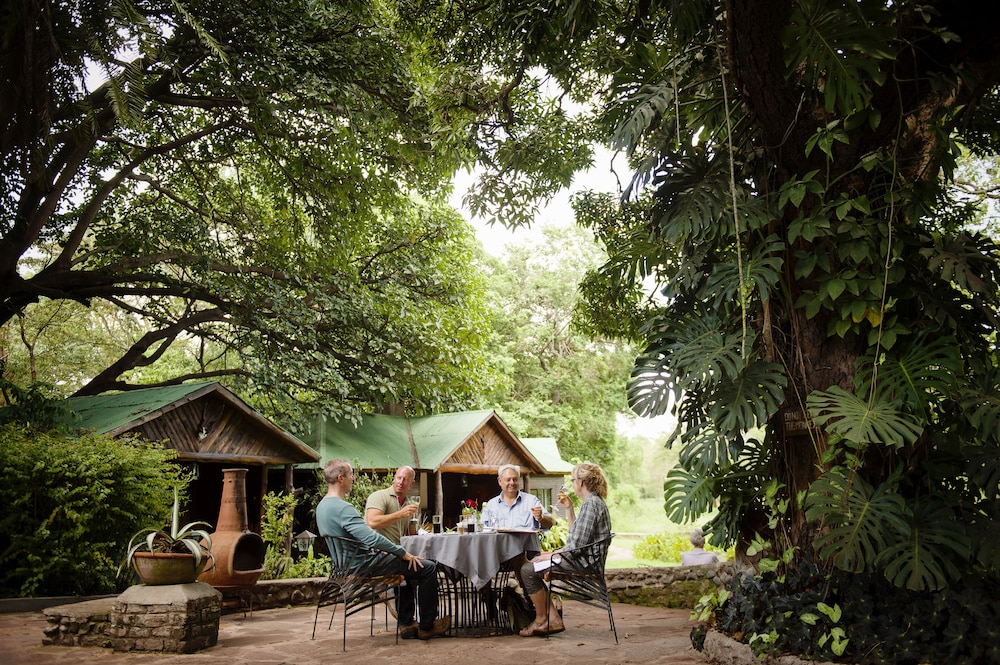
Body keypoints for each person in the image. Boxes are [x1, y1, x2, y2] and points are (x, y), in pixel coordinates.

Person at [316, 459, 450, 640]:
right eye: (351, 475)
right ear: (341, 478)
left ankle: (407, 623)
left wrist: (392, 552)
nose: (353, 478)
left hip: (345, 566)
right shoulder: (343, 508)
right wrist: (401, 552)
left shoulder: (322, 506)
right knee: (427, 567)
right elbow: (371, 537)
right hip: (365, 565)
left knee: (408, 566)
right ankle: (427, 626)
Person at [518, 462, 612, 637]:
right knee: (534, 564)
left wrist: (551, 556)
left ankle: (542, 619)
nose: (572, 484)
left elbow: (575, 548)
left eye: (573, 480)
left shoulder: (591, 504)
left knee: (527, 570)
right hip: (584, 560)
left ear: (581, 482)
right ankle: (552, 619)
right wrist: (569, 509)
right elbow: (575, 536)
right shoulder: (593, 502)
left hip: (583, 564)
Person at [480, 464, 555, 531]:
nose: (512, 483)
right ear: (500, 481)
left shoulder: (531, 501)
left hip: (525, 543)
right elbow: (482, 529)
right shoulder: (491, 504)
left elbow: (551, 523)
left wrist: (541, 517)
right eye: (508, 480)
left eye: (515, 479)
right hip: (500, 543)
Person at [365, 466, 419, 545]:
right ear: (394, 479)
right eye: (399, 478)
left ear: (412, 484)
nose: (401, 482)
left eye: (405, 479)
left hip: (397, 549)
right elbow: (372, 522)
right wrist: (400, 514)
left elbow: (411, 536)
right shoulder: (380, 496)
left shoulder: (409, 505)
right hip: (376, 549)